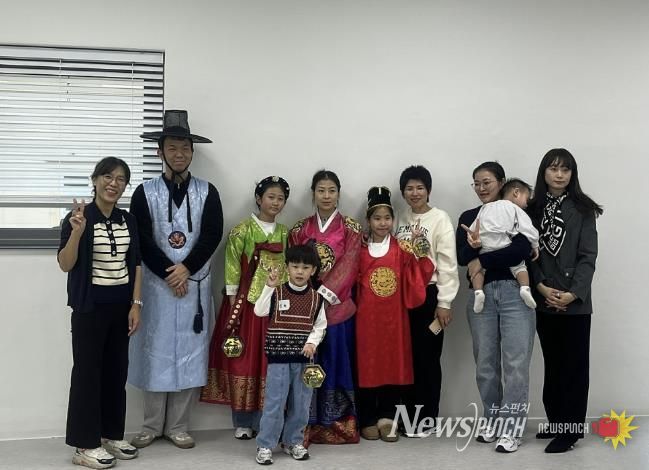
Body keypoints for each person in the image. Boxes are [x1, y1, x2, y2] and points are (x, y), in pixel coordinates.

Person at [128, 110, 223, 449]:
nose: (179, 153)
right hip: (157, 286)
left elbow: (211, 235)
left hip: (193, 285)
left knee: (191, 353)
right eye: (172, 147)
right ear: (160, 151)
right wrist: (171, 272)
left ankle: (179, 426)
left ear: (192, 152)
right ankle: (151, 425)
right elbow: (141, 239)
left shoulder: (208, 192)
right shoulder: (144, 193)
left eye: (185, 148)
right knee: (154, 351)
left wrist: (187, 268)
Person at [58, 157, 142, 469]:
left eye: (121, 179)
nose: (113, 183)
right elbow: (65, 264)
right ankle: (84, 445)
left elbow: (136, 264)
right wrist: (77, 233)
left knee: (116, 372)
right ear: (95, 180)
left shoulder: (127, 219)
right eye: (107, 176)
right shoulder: (78, 218)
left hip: (121, 307)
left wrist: (136, 304)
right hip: (89, 308)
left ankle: (111, 434)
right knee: (87, 375)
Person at [201, 176, 290, 440]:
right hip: (246, 306)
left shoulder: (286, 233)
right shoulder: (241, 231)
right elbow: (231, 266)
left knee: (270, 362)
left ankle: (267, 420)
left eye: (280, 198)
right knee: (244, 360)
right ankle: (242, 421)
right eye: (271, 197)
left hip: (275, 306)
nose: (275, 202)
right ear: (259, 198)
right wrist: (232, 304)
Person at [456, 162, 535, 453]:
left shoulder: (512, 211)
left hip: (515, 292)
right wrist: (476, 249)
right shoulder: (468, 217)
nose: (481, 188)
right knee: (485, 364)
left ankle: (512, 429)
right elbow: (463, 256)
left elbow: (522, 249)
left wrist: (482, 259)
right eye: (476, 183)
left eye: (487, 182)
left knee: (516, 365)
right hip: (482, 294)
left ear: (501, 182)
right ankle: (492, 419)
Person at [527, 149, 602, 453]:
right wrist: (540, 286)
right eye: (553, 168)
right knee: (553, 364)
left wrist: (572, 293)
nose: (559, 175)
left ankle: (570, 431)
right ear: (543, 172)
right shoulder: (532, 209)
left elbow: (588, 256)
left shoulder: (583, 209)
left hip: (576, 302)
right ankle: (557, 422)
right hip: (544, 297)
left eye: (566, 169)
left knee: (575, 367)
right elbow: (528, 252)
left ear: (573, 174)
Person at [356, 186, 434, 443]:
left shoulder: (402, 249)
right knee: (368, 365)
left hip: (394, 320)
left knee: (391, 364)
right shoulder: (359, 249)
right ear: (368, 220)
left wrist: (419, 248)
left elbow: (421, 274)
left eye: (387, 218)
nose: (383, 223)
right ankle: (367, 417)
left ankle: (387, 417)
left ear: (393, 219)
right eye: (377, 218)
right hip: (366, 320)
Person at [289, 170, 361, 444]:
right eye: (321, 190)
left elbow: (351, 263)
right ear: (313, 194)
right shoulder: (300, 229)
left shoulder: (351, 228)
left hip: (337, 309)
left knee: (335, 361)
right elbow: (293, 265)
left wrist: (324, 295)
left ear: (338, 193)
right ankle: (303, 424)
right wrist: (308, 296)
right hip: (305, 308)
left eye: (331, 190)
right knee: (306, 363)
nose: (326, 196)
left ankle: (336, 423)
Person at [394, 165, 459, 437]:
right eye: (409, 188)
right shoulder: (399, 217)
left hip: (429, 295)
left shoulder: (440, 219)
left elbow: (447, 263)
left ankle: (426, 419)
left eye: (420, 187)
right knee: (405, 357)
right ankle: (406, 417)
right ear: (403, 192)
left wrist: (444, 302)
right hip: (401, 297)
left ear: (429, 190)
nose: (415, 193)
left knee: (428, 359)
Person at [253, 244, 328, 465]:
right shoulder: (276, 292)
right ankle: (265, 444)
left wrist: (312, 343)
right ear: (287, 267)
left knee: (301, 404)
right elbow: (259, 310)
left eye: (305, 267)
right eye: (295, 266)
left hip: (303, 361)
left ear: (313, 270)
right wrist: (268, 286)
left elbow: (320, 326)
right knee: (274, 403)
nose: (299, 271)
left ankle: (293, 441)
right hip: (278, 359)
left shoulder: (316, 298)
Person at [463, 178, 539, 313]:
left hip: (485, 245)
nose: (527, 204)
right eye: (526, 199)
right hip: (505, 243)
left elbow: (475, 226)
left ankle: (478, 292)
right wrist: (535, 244)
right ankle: (525, 288)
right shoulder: (515, 209)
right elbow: (528, 229)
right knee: (520, 267)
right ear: (516, 192)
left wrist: (473, 240)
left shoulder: (486, 207)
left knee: (477, 270)